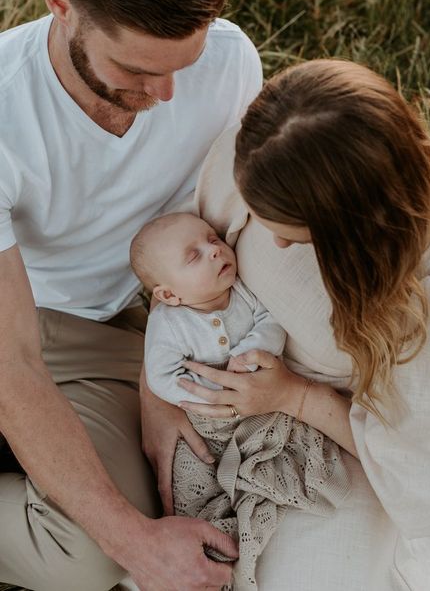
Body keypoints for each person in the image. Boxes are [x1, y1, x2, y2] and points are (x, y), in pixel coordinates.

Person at [0, 0, 263, 589]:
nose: (166, 95)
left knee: (112, 535)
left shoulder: (230, 64)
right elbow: (13, 362)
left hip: (128, 325)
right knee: (97, 551)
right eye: (137, 70)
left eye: (182, 62)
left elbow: (228, 227)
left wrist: (158, 387)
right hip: (21, 323)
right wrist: (139, 544)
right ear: (62, 6)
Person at [165, 58, 430, 590]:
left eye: (296, 233)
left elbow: (414, 462)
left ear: (353, 229)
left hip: (341, 444)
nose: (276, 243)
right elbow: (183, 260)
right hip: (211, 395)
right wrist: (158, 404)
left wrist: (293, 396)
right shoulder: (266, 151)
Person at [129, 211, 350, 588]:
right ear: (169, 293)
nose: (214, 251)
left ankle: (255, 511)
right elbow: (160, 375)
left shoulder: (243, 293)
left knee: (279, 449)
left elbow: (271, 322)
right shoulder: (168, 322)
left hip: (257, 408)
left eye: (213, 240)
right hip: (202, 420)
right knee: (190, 475)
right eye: (194, 255)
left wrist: (252, 352)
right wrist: (199, 393)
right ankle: (206, 544)